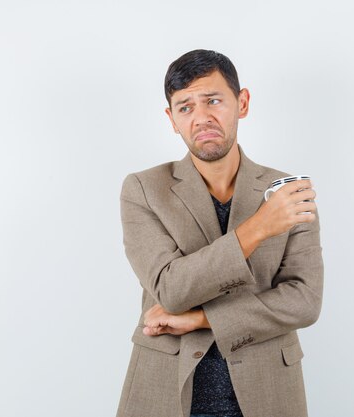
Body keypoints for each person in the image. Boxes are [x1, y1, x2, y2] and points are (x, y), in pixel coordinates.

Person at [116, 49, 324, 417]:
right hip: (167, 390)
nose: (201, 118)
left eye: (213, 100)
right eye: (185, 107)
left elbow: (304, 301)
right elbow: (171, 290)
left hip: (268, 390)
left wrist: (202, 319)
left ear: (241, 103)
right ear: (171, 118)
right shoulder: (144, 189)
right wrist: (258, 228)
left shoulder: (288, 192)